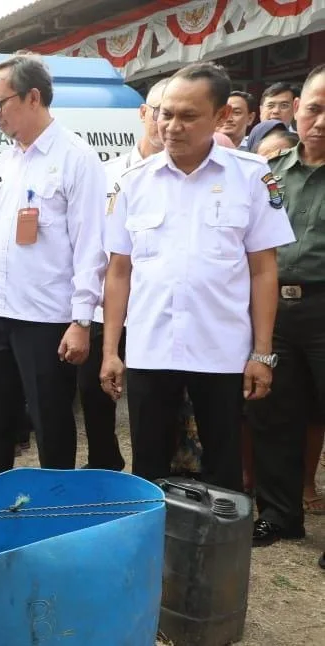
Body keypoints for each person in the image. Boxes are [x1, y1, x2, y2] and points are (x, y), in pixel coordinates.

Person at [100, 62, 294, 492]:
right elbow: (118, 272)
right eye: (164, 114)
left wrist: (262, 353)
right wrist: (111, 350)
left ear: (222, 116)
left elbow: (264, 270)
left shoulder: (252, 177)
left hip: (221, 351)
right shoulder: (132, 183)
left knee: (223, 469)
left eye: (188, 116)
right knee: (148, 468)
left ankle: (216, 554)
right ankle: (154, 552)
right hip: (151, 348)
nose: (171, 126)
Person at [0, 53, 107, 477]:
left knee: (51, 422)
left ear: (34, 97)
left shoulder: (76, 158)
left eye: (0, 103)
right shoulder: (3, 163)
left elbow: (91, 245)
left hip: (47, 320)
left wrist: (81, 320)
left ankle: (53, 510)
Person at [247, 63, 325, 554]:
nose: (321, 122)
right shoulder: (268, 174)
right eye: (315, 109)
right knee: (274, 416)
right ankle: (279, 515)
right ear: (296, 109)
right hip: (275, 312)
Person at [77, 78, 170, 472]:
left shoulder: (188, 177)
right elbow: (89, 241)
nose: (163, 121)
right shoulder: (106, 173)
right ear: (143, 113)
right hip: (105, 302)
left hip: (155, 307)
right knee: (95, 395)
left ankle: (158, 476)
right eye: (157, 110)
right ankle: (103, 465)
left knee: (155, 402)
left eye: (174, 111)